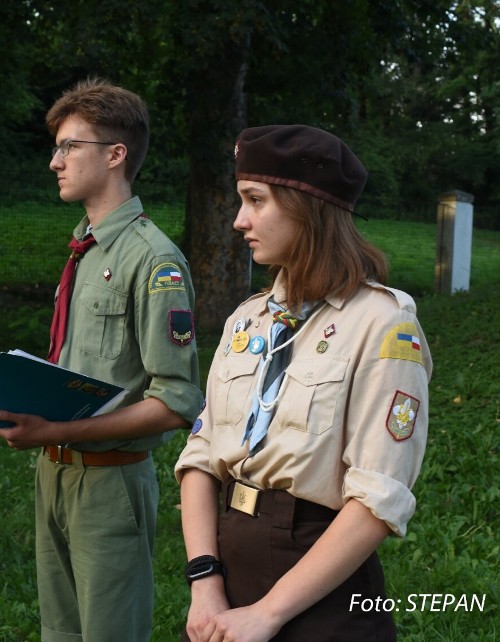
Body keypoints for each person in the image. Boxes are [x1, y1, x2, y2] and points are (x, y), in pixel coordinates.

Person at [175, 125, 432, 641]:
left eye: (255, 200)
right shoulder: (248, 320)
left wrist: (267, 614)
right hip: (225, 573)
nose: (238, 219)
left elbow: (378, 498)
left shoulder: (384, 324)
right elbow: (202, 456)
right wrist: (205, 582)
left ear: (306, 207)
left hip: (322, 586)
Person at [0, 78, 204, 641]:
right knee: (61, 632)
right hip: (52, 472)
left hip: (110, 484)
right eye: (56, 148)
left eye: (68, 147)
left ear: (115, 155)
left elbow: (177, 401)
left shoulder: (154, 260)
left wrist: (59, 426)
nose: (55, 162)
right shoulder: (83, 248)